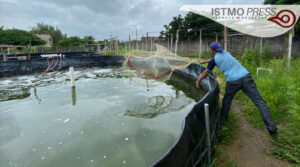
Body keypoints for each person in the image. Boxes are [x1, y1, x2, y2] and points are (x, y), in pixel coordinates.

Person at [195, 42, 277, 136]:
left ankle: (223, 119)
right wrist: (205, 61)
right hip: (246, 77)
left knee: (227, 100)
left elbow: (206, 72)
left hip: (233, 82)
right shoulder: (226, 52)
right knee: (259, 101)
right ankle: (272, 128)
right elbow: (213, 59)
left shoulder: (215, 60)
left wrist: (198, 80)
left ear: (212, 50)